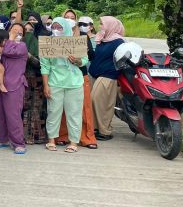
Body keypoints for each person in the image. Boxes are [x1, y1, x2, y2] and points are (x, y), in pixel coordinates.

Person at [42, 17, 87, 153]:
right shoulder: (48, 43)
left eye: (59, 27)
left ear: (66, 28)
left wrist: (77, 61)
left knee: (74, 113)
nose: (56, 30)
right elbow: (45, 66)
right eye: (54, 27)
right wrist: (46, 85)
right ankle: (51, 140)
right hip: (55, 82)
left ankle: (73, 142)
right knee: (53, 111)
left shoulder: (75, 42)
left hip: (74, 82)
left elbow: (84, 60)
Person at [56, 15, 98, 150]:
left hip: (80, 75)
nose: (69, 21)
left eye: (72, 18)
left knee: (84, 108)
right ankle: (62, 136)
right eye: (66, 18)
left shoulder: (83, 36)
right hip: (61, 78)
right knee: (62, 109)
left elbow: (91, 55)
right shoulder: (55, 38)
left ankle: (87, 137)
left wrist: (82, 53)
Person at [0, 22, 29, 154]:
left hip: (14, 84)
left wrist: (11, 38)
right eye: (13, 30)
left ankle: (18, 142)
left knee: (13, 115)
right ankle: (3, 139)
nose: (16, 33)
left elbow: (8, 51)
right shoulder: (0, 45)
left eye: (20, 32)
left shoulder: (22, 46)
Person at [89, 16, 126, 141]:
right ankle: (94, 128)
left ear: (111, 25)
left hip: (108, 75)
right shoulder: (102, 38)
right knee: (92, 101)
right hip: (95, 74)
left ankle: (105, 130)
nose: (100, 26)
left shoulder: (119, 42)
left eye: (102, 24)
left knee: (100, 101)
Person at [22, 10, 48, 144]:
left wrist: (29, 56)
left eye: (30, 29)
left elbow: (41, 63)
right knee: (24, 107)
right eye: (25, 29)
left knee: (36, 108)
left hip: (36, 80)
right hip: (22, 80)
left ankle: (37, 136)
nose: (27, 32)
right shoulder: (17, 43)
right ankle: (24, 135)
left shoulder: (39, 43)